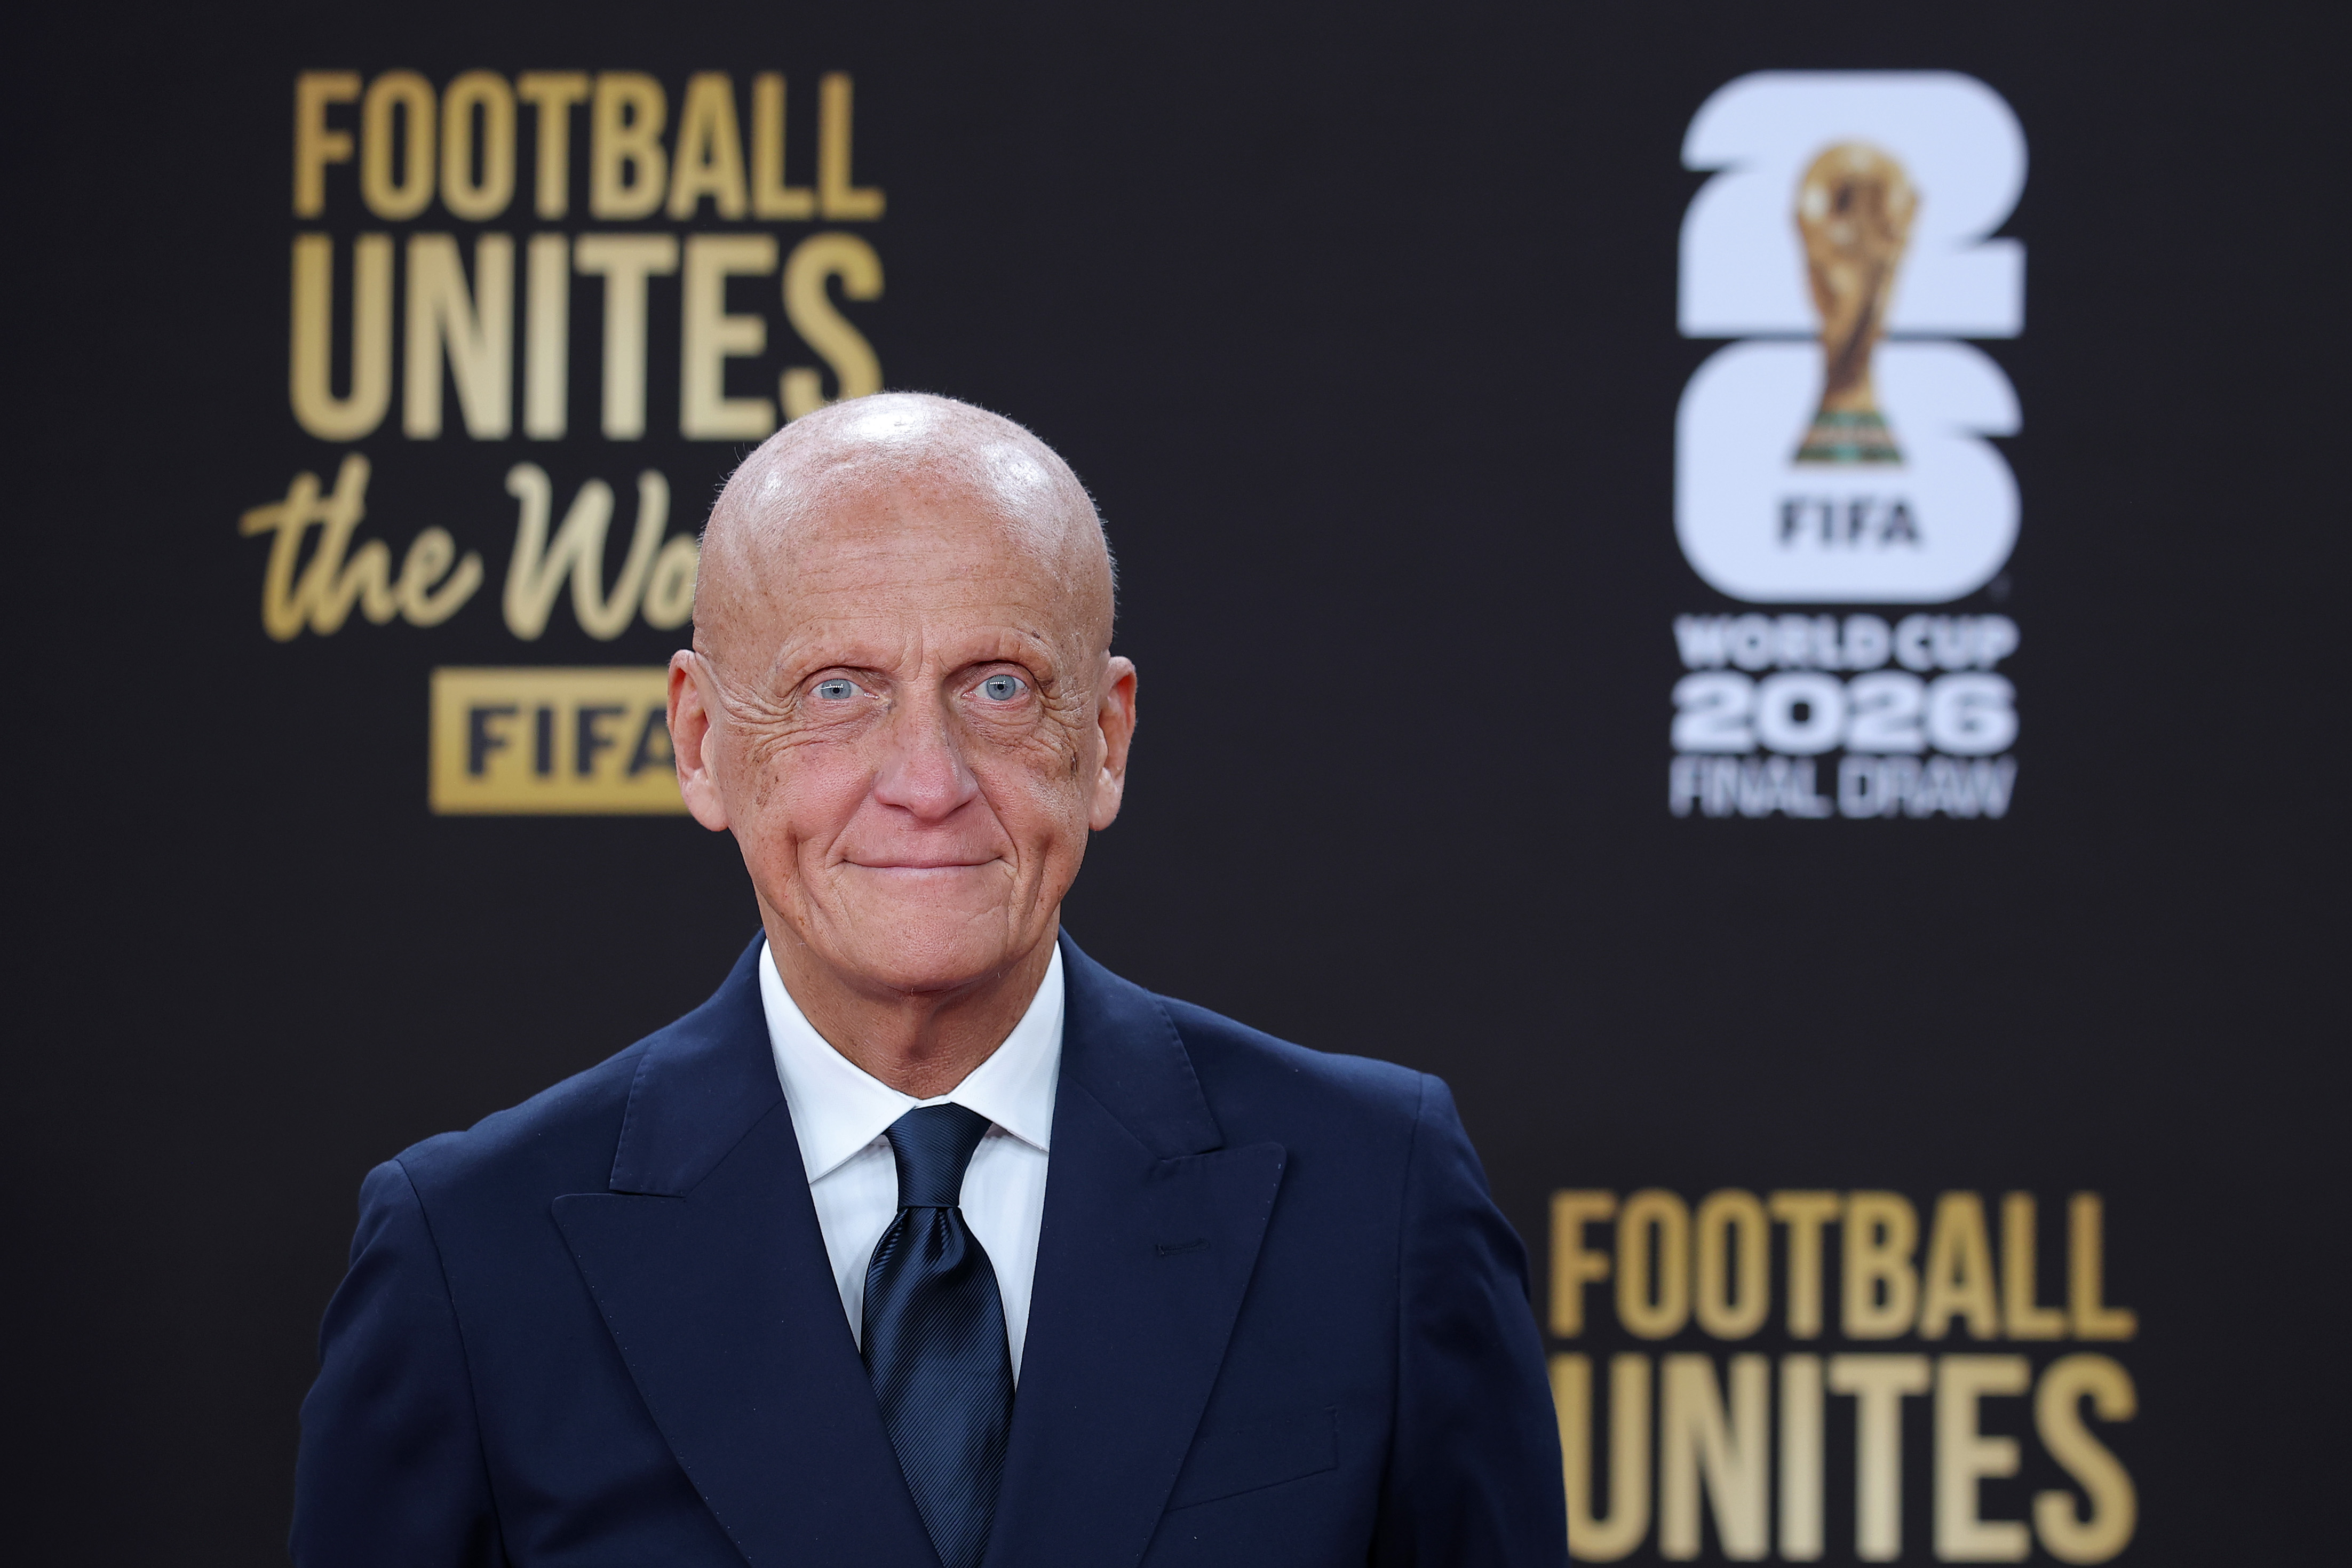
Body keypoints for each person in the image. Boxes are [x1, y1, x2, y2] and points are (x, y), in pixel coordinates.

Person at [292, 393, 1567, 1567]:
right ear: (700, 743)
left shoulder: (1378, 1202)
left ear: (1105, 741)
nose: (926, 778)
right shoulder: (470, 1258)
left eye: (998, 686)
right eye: (835, 690)